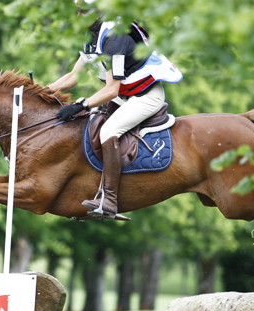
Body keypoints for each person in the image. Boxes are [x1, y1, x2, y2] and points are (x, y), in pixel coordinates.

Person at [48, 12, 182, 219]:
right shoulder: (91, 37)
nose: (76, 16)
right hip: (125, 95)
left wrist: (79, 105)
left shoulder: (116, 38)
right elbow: (73, 76)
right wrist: (39, 90)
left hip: (145, 96)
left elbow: (111, 91)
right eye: (75, 11)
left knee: (109, 131)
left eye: (82, 12)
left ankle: (109, 200)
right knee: (89, 122)